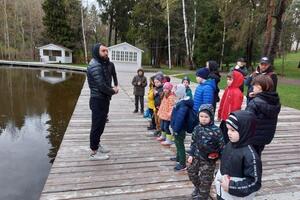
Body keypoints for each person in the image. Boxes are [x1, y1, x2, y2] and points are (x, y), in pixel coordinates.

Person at [215, 111, 262, 200]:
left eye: (233, 130)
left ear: (245, 130)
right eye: (228, 129)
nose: (228, 133)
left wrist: (231, 187)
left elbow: (255, 182)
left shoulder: (250, 155)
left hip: (235, 196)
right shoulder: (230, 144)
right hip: (222, 193)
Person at [86, 43, 119, 160]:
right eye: (103, 51)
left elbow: (108, 78)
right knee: (96, 126)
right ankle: (94, 152)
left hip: (103, 99)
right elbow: (101, 86)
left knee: (101, 125)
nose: (106, 52)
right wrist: (113, 91)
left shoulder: (102, 63)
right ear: (97, 52)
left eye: (106, 50)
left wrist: (113, 87)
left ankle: (97, 145)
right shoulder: (95, 65)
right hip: (97, 100)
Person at [187, 104, 224, 200]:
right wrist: (191, 154)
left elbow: (221, 146)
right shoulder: (197, 128)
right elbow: (193, 142)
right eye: (201, 116)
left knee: (206, 180)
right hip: (196, 157)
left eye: (206, 117)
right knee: (191, 172)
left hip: (208, 160)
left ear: (211, 117)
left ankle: (203, 196)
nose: (203, 119)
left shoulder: (216, 131)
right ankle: (198, 187)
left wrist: (217, 156)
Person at [245, 75, 281, 156]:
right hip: (265, 136)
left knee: (250, 158)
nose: (252, 87)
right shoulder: (274, 100)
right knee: (257, 155)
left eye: (254, 85)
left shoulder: (255, 102)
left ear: (259, 87)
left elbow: (247, 119)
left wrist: (252, 100)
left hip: (252, 137)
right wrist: (254, 97)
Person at [170, 84, 194, 171]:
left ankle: (182, 164)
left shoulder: (182, 105)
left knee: (180, 145)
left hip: (179, 129)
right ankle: (178, 158)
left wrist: (176, 130)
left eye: (175, 93)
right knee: (177, 143)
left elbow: (180, 118)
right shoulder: (181, 102)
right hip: (178, 128)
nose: (174, 95)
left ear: (179, 93)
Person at [218, 71, 244, 144]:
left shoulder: (237, 93)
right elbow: (222, 102)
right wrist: (220, 114)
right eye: (227, 79)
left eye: (230, 79)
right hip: (224, 118)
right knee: (221, 135)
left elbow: (236, 108)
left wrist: (232, 120)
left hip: (230, 120)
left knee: (227, 138)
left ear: (236, 80)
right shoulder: (227, 89)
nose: (228, 81)